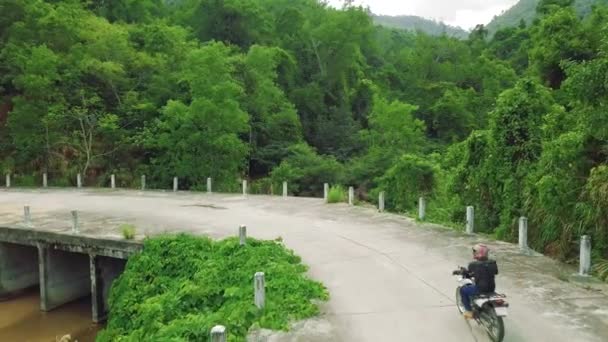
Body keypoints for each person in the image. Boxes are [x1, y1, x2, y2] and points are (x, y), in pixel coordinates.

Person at [458, 244, 499, 319]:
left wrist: (461, 271)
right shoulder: (493, 263)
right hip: (492, 288)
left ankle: (469, 311)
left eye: (474, 252)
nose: (473, 253)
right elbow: (495, 272)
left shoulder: (473, 264)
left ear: (478, 253)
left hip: (480, 289)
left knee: (463, 290)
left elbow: (467, 273)